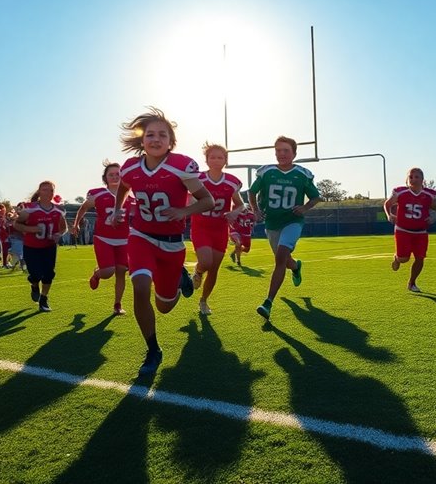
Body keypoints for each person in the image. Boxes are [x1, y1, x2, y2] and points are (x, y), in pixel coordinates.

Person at [111, 108, 213, 375]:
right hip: (141, 236)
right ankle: (153, 349)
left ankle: (179, 280)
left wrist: (183, 211)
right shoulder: (131, 167)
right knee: (141, 287)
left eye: (162, 135)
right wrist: (117, 208)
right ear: (142, 139)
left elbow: (207, 200)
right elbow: (123, 186)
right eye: (150, 134)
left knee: (164, 307)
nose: (156, 139)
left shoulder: (180, 166)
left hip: (171, 243)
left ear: (171, 142)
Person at [248, 136, 321, 320]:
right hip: (272, 223)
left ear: (294, 153)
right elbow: (251, 192)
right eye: (278, 150)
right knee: (285, 260)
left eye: (286, 150)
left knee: (280, 257)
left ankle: (268, 302)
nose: (282, 154)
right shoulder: (267, 172)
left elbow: (315, 197)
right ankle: (296, 267)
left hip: (292, 221)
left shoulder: (302, 174)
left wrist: (304, 208)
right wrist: (256, 210)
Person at [189, 143, 244, 316]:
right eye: (212, 157)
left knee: (214, 269)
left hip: (220, 228)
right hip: (201, 226)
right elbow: (189, 199)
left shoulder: (231, 181)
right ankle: (197, 272)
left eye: (220, 157)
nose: (216, 160)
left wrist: (234, 212)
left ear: (225, 160)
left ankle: (204, 301)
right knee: (206, 262)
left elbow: (241, 204)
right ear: (206, 160)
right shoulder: (198, 179)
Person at [72, 163, 130, 316]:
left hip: (124, 239)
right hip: (104, 238)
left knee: (121, 272)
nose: (115, 176)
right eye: (111, 174)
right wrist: (76, 224)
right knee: (108, 272)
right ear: (105, 177)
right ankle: (98, 273)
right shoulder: (98, 194)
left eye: (118, 173)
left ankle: (117, 304)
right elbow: (83, 207)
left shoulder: (130, 195)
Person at [383, 167, 436, 292]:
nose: (413, 179)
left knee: (420, 258)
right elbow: (387, 204)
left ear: (422, 179)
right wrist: (389, 215)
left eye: (416, 177)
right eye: (411, 177)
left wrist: (433, 217)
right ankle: (397, 258)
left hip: (421, 231)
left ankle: (412, 283)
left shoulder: (428, 195)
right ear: (407, 179)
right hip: (403, 230)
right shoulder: (400, 192)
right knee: (404, 259)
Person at [14, 182, 67, 312]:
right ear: (39, 191)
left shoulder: (58, 210)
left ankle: (43, 299)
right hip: (31, 246)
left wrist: (58, 235)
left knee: (49, 274)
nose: (48, 193)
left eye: (51, 190)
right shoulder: (30, 209)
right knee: (36, 274)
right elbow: (17, 225)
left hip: (49, 246)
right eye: (45, 190)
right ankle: (34, 284)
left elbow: (64, 228)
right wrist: (32, 229)